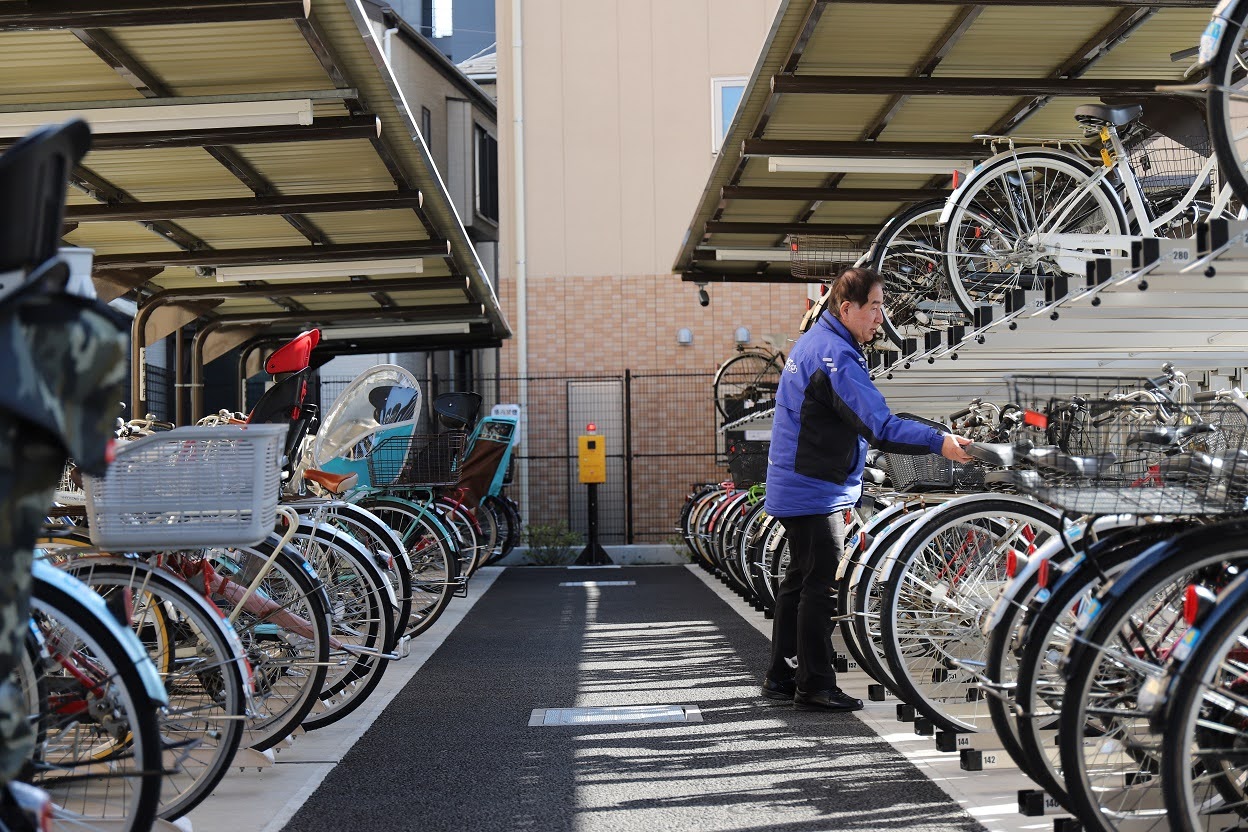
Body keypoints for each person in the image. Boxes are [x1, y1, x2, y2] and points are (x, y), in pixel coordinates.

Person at [761, 266, 972, 711]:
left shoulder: (819, 342)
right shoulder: (835, 355)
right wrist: (941, 443)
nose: (881, 317)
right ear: (847, 308)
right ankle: (814, 684)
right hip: (813, 488)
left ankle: (782, 676)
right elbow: (879, 425)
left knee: (798, 583)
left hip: (799, 483)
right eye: (874, 307)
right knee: (818, 585)